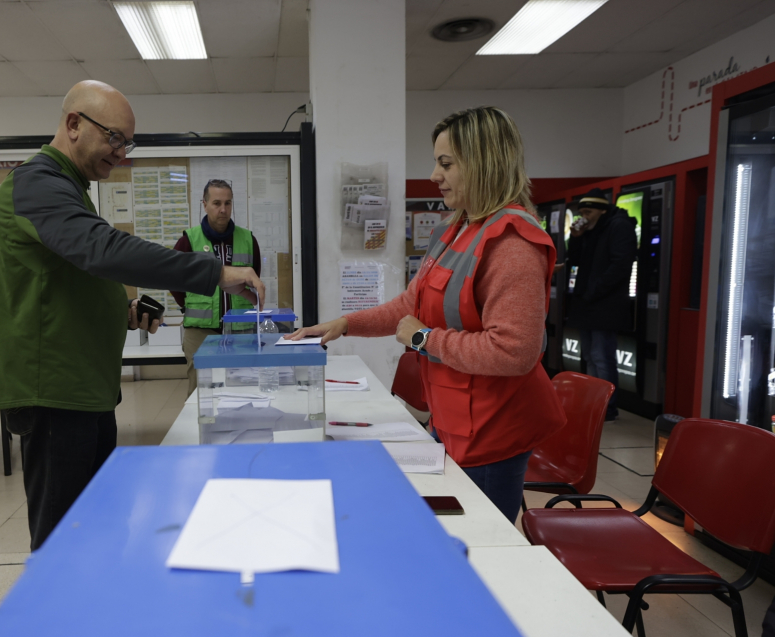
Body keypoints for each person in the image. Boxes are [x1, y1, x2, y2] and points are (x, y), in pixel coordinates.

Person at [0, 80, 264, 551]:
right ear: (73, 124)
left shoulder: (70, 189)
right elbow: (102, 251)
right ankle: (63, 624)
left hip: (84, 390)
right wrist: (215, 273)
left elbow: (69, 279)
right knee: (63, 541)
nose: (121, 152)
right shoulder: (36, 184)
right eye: (114, 138)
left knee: (100, 528)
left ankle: (96, 617)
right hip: (52, 392)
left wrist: (125, 310)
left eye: (127, 142)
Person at [286, 106, 566, 523]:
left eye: (446, 163)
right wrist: (346, 324)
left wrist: (423, 340)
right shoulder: (458, 229)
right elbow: (410, 306)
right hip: (452, 420)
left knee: (478, 547)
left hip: (492, 434)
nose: (435, 175)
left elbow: (514, 351)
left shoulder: (513, 243)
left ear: (483, 162)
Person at [169, 179, 262, 395]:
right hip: (201, 331)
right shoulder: (189, 241)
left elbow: (254, 279)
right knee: (200, 391)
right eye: (217, 203)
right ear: (205, 204)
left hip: (241, 329)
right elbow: (173, 280)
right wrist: (190, 306)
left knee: (242, 387)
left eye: (228, 203)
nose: (223, 209)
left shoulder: (247, 239)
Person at [564, 189, 638, 422]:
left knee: (602, 355)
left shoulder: (618, 227)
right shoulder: (590, 231)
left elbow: (620, 265)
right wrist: (575, 238)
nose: (583, 215)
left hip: (606, 303)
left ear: (601, 211)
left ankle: (607, 407)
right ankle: (593, 403)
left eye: (588, 211)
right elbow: (575, 261)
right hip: (588, 302)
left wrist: (594, 290)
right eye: (581, 211)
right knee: (589, 354)